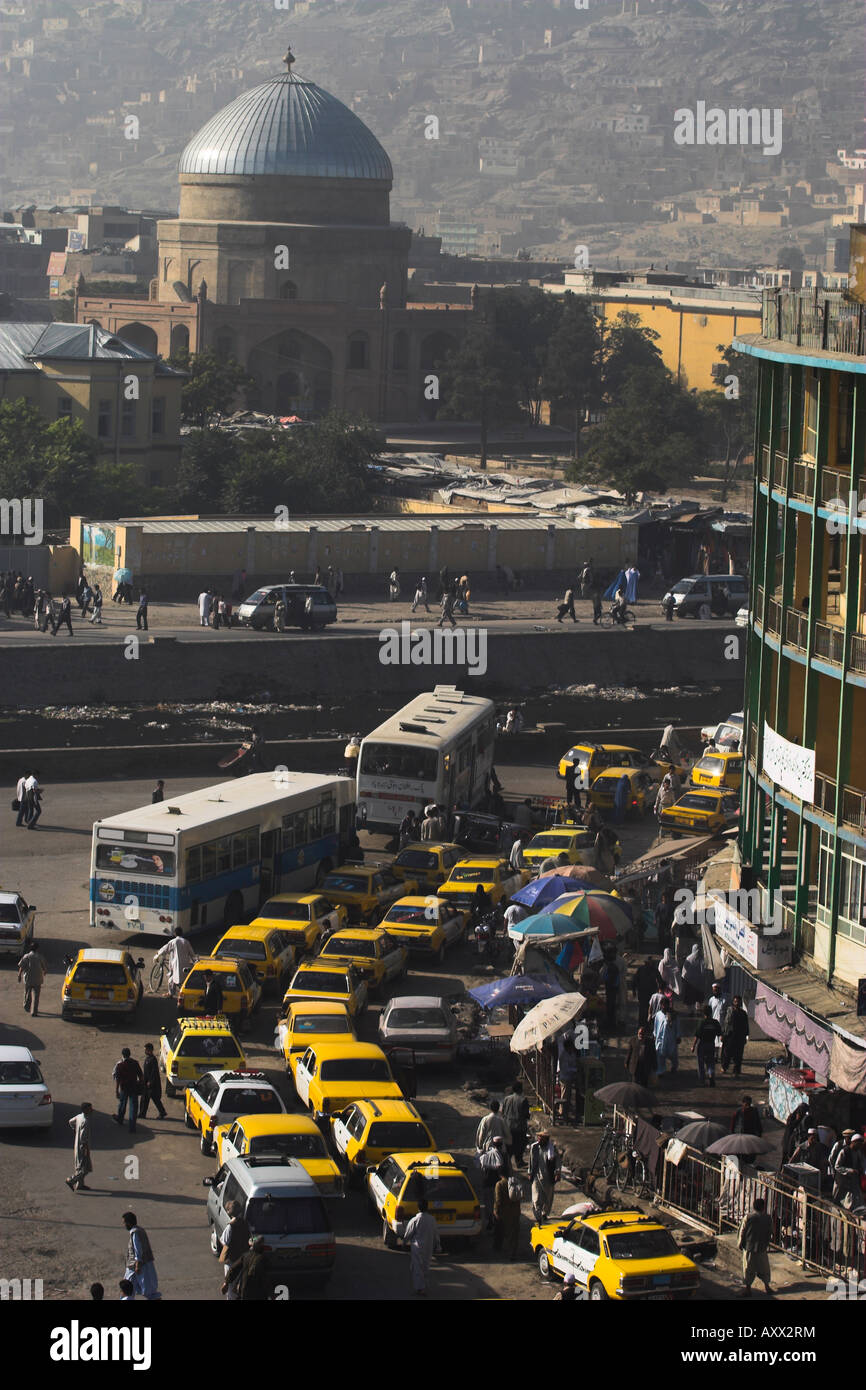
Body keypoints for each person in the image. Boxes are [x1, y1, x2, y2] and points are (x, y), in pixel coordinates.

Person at [401, 1199, 441, 1295]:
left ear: (418, 1208)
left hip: (417, 1248)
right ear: (427, 1207)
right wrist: (438, 1245)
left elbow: (408, 1234)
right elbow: (436, 1234)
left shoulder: (415, 1220)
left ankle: (420, 1288)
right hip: (428, 1247)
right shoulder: (432, 1220)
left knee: (417, 1267)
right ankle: (423, 1286)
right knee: (425, 1267)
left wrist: (404, 1243)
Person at [738, 1197, 773, 1296]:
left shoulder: (748, 1217)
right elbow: (771, 1232)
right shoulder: (768, 1218)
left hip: (749, 1247)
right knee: (764, 1268)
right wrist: (767, 1242)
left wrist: (740, 1244)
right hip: (761, 1247)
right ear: (763, 1207)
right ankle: (767, 1287)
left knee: (748, 1268)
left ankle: (748, 1289)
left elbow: (742, 1232)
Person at [122, 1212, 160, 1300]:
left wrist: (137, 1265)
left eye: (124, 1222)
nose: (124, 1225)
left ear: (129, 1223)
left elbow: (137, 1249)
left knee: (129, 1287)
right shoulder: (140, 1230)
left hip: (135, 1266)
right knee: (145, 1288)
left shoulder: (135, 1233)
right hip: (141, 1265)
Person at [219, 1201, 251, 1300]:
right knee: (241, 1284)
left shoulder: (230, 1227)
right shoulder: (246, 1224)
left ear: (229, 1212)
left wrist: (222, 1257)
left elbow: (224, 1242)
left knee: (231, 1286)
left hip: (232, 1261)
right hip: (243, 1260)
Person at [152, 929, 196, 998]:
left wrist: (157, 955)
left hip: (175, 964)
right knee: (182, 978)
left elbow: (164, 949)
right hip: (185, 963)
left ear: (175, 933)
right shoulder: (186, 942)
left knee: (171, 978)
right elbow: (192, 953)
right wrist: (195, 961)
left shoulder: (173, 941)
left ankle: (171, 993)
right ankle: (176, 992)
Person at [528, 1130, 560, 1222]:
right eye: (539, 1138)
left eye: (542, 1138)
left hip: (548, 1176)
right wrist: (530, 1172)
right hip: (536, 1175)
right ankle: (537, 1214)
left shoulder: (552, 1149)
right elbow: (531, 1160)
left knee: (548, 1197)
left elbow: (557, 1161)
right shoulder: (534, 1147)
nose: (539, 1140)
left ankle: (544, 1213)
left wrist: (557, 1173)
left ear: (546, 1139)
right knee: (536, 1196)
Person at [228, 1235, 272, 1301]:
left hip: (245, 1291)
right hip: (259, 1294)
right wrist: (270, 1293)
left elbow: (234, 1268)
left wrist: (227, 1282)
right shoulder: (263, 1259)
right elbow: (266, 1278)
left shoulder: (245, 1256)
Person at [113, 1048, 143, 1133]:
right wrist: (140, 1084)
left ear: (122, 1055)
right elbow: (141, 1076)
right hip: (133, 1088)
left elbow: (118, 1080)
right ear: (130, 1055)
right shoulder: (135, 1063)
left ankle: (120, 1119)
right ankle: (132, 1127)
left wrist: (116, 1091)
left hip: (124, 1088)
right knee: (133, 1108)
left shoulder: (120, 1065)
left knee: (122, 1104)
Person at [492, 1171, 521, 1258]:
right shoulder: (516, 1182)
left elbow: (498, 1200)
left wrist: (496, 1211)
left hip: (504, 1212)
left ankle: (501, 1250)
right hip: (515, 1211)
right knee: (514, 1233)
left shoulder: (499, 1184)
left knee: (503, 1231)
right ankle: (513, 1252)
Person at [832, 1132, 866, 1207]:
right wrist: (850, 1170)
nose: (860, 1146)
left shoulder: (858, 1152)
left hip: (853, 1181)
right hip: (841, 1181)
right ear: (854, 1142)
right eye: (859, 1144)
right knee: (838, 1201)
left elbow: (862, 1164)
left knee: (852, 1201)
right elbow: (837, 1166)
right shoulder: (844, 1151)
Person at [66, 1102, 94, 1191]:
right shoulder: (85, 1121)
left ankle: (80, 1185)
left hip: (77, 1144)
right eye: (90, 1108)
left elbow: (70, 1121)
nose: (92, 1110)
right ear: (86, 1110)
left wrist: (74, 1129)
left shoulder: (79, 1116)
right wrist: (86, 1148)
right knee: (84, 1168)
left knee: (81, 1165)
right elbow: (83, 1138)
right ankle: (71, 1180)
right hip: (82, 1147)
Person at [501, 1082, 530, 1166]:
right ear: (520, 1089)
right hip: (519, 1127)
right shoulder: (523, 1100)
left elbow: (503, 1112)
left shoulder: (506, 1099)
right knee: (520, 1145)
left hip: (508, 1126)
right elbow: (526, 1115)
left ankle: (507, 1163)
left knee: (509, 1146)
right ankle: (519, 1161)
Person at [692, 1006, 722, 1086]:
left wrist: (693, 1046)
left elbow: (697, 1035)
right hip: (711, 1044)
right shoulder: (715, 1022)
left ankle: (702, 1080)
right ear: (711, 1012)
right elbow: (720, 1033)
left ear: (703, 1013)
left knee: (701, 1063)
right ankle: (711, 1074)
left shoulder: (702, 1022)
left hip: (702, 1045)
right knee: (710, 1062)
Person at [720, 996, 750, 1075]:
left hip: (739, 1036)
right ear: (733, 1002)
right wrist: (723, 1034)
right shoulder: (729, 1011)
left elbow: (746, 1025)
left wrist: (745, 1036)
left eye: (738, 1002)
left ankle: (736, 1071)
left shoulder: (743, 1013)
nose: (737, 1003)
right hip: (730, 1036)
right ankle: (724, 1067)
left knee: (738, 1055)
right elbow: (726, 1023)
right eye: (735, 1001)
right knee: (727, 1053)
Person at [18, 940, 46, 1017]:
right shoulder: (40, 957)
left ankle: (27, 1006)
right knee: (36, 996)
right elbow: (44, 968)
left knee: (27, 993)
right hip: (38, 979)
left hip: (28, 979)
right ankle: (34, 1011)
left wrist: (19, 975)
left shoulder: (26, 956)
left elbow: (21, 967)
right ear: (37, 949)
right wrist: (44, 972)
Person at [140, 1042, 167, 1120]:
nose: (144, 1051)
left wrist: (150, 1082)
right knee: (144, 1099)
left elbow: (154, 1072)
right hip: (146, 1083)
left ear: (149, 1050)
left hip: (152, 1084)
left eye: (146, 1050)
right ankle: (142, 1113)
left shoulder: (153, 1059)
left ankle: (162, 1112)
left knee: (155, 1099)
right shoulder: (147, 1059)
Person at [653, 999, 680, 1077]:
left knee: (673, 1054)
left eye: (666, 1005)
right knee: (659, 1055)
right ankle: (661, 1070)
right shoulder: (658, 1015)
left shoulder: (674, 1015)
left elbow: (677, 1026)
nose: (664, 1007)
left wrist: (678, 1036)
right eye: (663, 1005)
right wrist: (655, 1035)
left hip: (671, 1038)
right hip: (660, 1039)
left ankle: (674, 1066)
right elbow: (656, 1026)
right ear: (661, 1005)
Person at [633, 957, 660, 1024]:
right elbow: (635, 980)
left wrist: (634, 990)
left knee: (645, 1009)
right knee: (646, 1008)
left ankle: (643, 1024)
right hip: (647, 993)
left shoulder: (642, 969)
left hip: (646, 993)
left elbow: (634, 980)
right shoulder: (653, 970)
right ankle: (645, 1024)